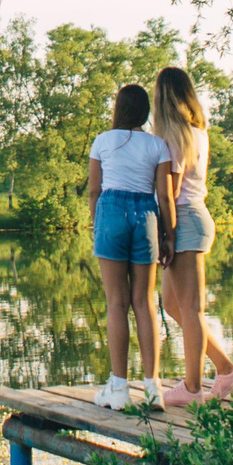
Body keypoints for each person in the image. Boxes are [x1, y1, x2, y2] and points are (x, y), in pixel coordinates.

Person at [151, 65, 233, 405]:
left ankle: (191, 389)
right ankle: (225, 367)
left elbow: (169, 194)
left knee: (190, 308)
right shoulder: (197, 131)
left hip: (184, 220)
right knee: (174, 304)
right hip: (194, 217)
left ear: (163, 98)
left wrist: (166, 236)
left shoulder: (173, 136)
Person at [85, 83, 170, 409]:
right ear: (146, 111)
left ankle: (118, 388)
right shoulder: (157, 145)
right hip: (146, 214)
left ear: (118, 109)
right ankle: (153, 388)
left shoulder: (102, 141)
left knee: (116, 302)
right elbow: (163, 196)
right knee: (145, 303)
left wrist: (99, 225)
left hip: (111, 212)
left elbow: (94, 191)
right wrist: (168, 235)